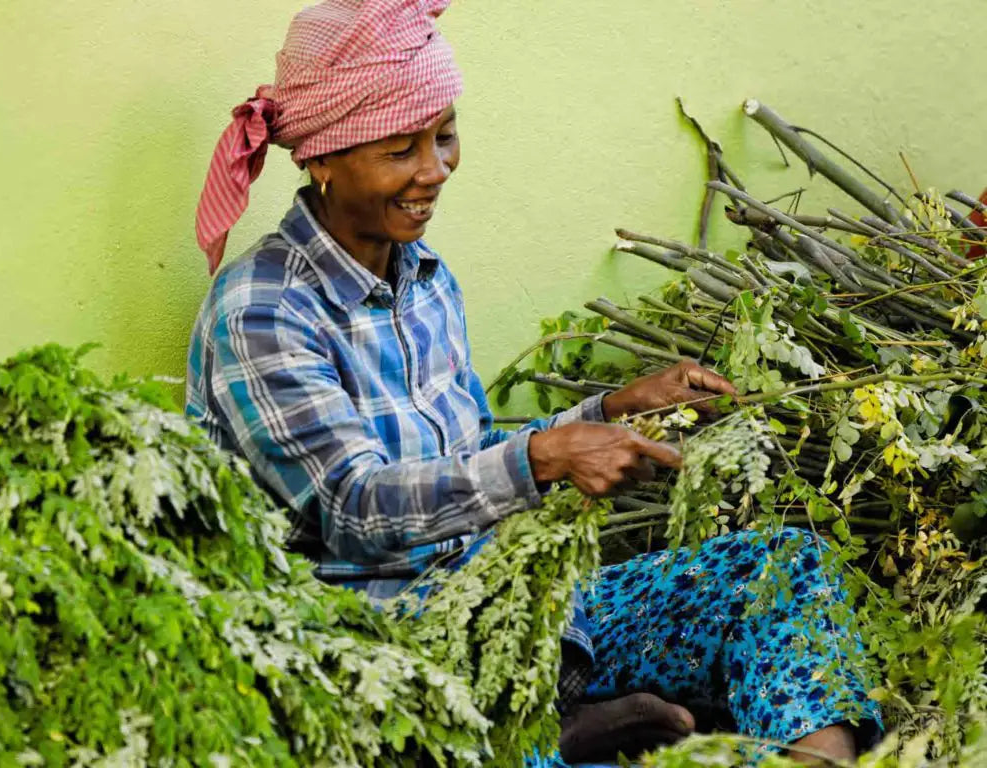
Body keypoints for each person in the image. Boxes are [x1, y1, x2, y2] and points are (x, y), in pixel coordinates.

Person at [186, 1, 880, 763]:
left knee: (780, 570)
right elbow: (355, 507)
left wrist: (612, 409)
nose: (435, 170)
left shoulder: (422, 279)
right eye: (399, 150)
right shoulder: (262, 310)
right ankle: (561, 734)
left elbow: (464, 453)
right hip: (390, 652)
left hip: (512, 604)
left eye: (444, 135)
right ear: (321, 157)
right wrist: (544, 457)